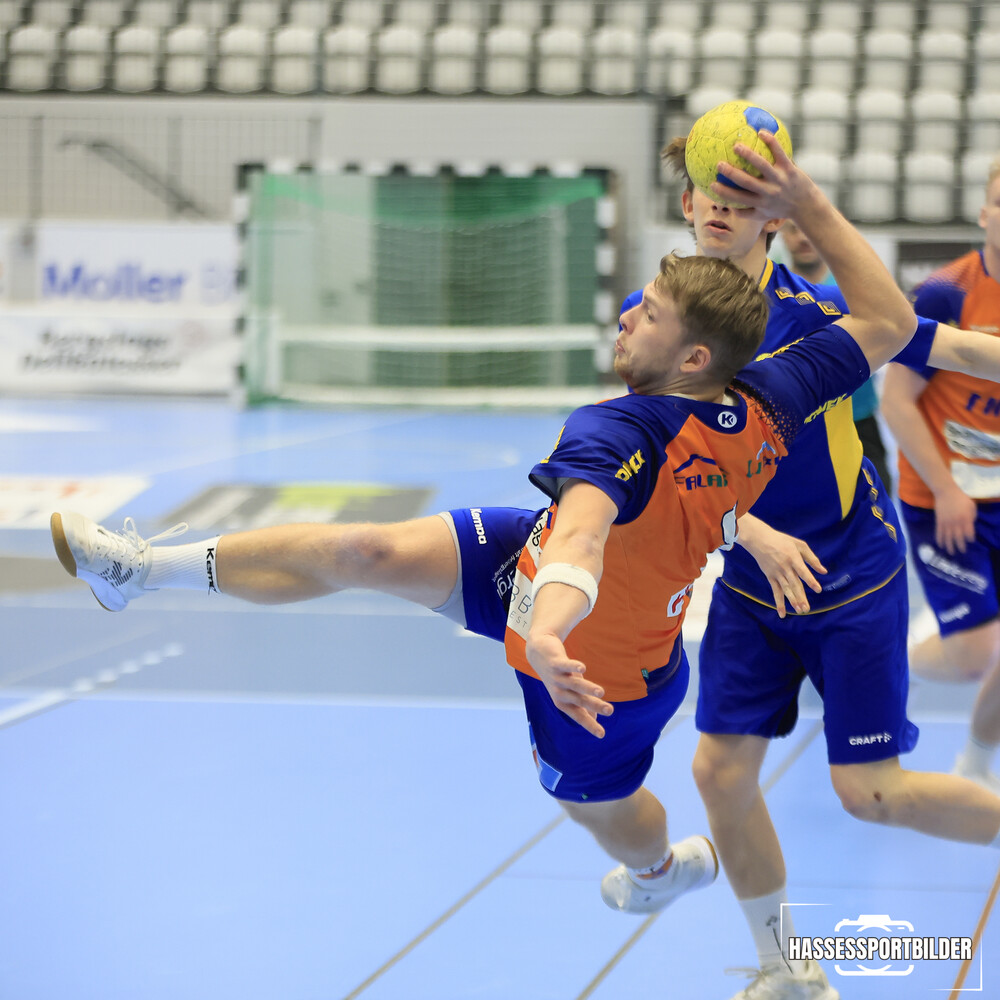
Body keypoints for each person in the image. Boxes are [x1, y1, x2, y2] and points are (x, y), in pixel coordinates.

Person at [51, 135, 944, 969]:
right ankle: (140, 570)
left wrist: (551, 634)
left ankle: (663, 872)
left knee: (611, 818)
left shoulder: (621, 429)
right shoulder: (773, 391)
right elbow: (888, 316)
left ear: (693, 357)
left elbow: (587, 540)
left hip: (603, 675)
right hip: (534, 572)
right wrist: (807, 201)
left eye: (649, 316)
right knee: (365, 547)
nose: (627, 320)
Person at [642, 135, 1000, 1000]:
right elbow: (663, 460)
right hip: (752, 580)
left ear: (773, 214)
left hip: (849, 575)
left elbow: (949, 348)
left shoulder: (820, 314)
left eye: (744, 194)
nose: (720, 206)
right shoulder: (657, 317)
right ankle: (785, 970)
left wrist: (810, 200)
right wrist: (750, 533)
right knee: (718, 772)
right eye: (708, 190)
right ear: (687, 204)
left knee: (869, 794)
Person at [881, 153, 1000, 796]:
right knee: (978, 654)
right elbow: (898, 401)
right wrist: (949, 491)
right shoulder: (946, 294)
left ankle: (975, 763)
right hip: (941, 496)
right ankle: (881, 662)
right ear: (984, 214)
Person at [780, 220, 893, 493]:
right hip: (796, 428)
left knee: (878, 502)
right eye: (793, 229)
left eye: (809, 227)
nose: (803, 237)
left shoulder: (855, 289)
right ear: (780, 233)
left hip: (858, 422)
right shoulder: (772, 291)